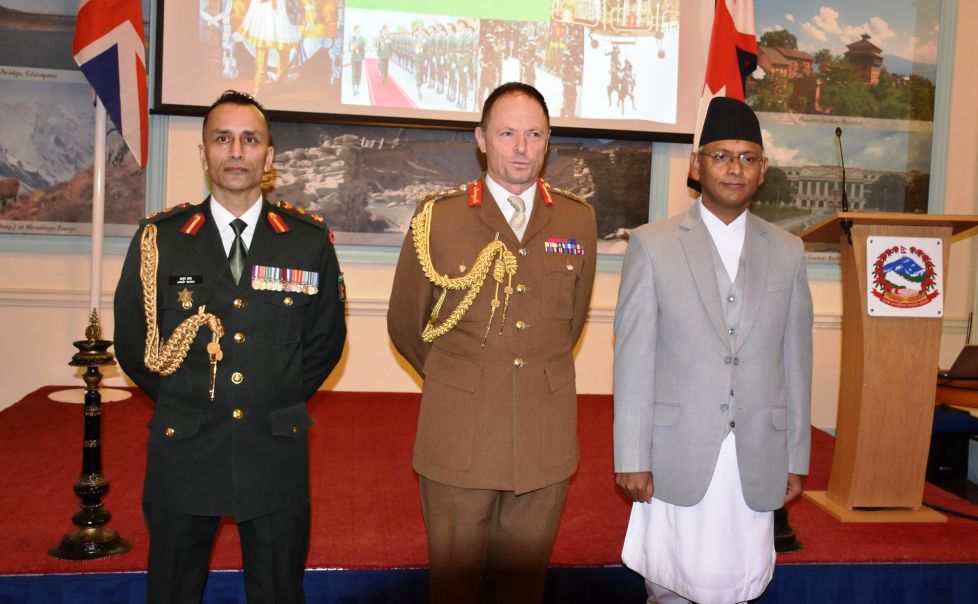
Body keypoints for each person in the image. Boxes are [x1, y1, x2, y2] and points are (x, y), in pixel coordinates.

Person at [114, 90, 347, 604]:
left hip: (273, 446)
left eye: (250, 139)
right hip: (185, 446)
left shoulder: (306, 240)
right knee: (173, 589)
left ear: (269, 155)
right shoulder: (160, 239)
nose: (236, 151)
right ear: (204, 154)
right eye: (222, 139)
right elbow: (135, 343)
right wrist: (186, 399)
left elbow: (325, 342)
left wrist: (275, 395)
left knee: (279, 590)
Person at [387, 82, 597, 604]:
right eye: (507, 134)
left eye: (534, 135)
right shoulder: (439, 217)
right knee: (454, 589)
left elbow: (569, 325)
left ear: (548, 141)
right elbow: (406, 323)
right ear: (481, 139)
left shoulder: (578, 218)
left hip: (543, 438)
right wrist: (458, 377)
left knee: (523, 590)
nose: (521, 148)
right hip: (460, 435)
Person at [613, 96, 813, 604]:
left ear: (763, 170)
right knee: (670, 582)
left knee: (739, 582)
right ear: (696, 165)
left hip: (756, 453)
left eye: (747, 158)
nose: (734, 168)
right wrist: (631, 455)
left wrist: (796, 456)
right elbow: (634, 360)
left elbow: (797, 364)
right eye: (721, 156)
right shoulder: (652, 244)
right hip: (676, 453)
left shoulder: (788, 251)